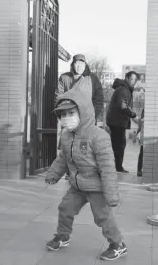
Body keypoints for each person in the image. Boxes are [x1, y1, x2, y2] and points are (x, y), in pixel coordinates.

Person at [45, 90, 127, 261]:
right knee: (65, 208)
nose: (67, 117)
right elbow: (63, 158)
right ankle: (62, 236)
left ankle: (118, 244)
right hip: (77, 186)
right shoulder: (67, 136)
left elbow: (108, 168)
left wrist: (111, 194)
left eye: (71, 113)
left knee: (102, 217)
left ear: (83, 112)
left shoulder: (98, 136)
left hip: (97, 187)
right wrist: (53, 174)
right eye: (63, 114)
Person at [56, 54, 104, 179]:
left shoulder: (92, 78)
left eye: (82, 63)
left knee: (84, 145)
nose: (79, 66)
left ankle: (84, 170)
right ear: (73, 64)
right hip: (69, 118)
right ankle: (69, 171)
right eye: (77, 63)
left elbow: (98, 98)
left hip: (86, 119)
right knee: (68, 144)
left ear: (85, 65)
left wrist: (93, 114)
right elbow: (58, 96)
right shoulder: (64, 78)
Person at [106, 71, 137, 173]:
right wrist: (132, 114)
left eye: (135, 80)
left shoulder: (125, 89)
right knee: (119, 144)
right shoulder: (123, 90)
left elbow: (125, 106)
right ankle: (117, 167)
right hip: (117, 121)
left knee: (118, 144)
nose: (134, 82)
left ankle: (116, 166)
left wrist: (131, 114)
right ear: (127, 78)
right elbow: (122, 106)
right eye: (132, 79)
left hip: (117, 121)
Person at [133, 109, 144, 177]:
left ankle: (139, 171)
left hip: (144, 139)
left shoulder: (142, 120)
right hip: (143, 139)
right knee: (141, 155)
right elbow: (139, 127)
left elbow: (139, 124)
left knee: (141, 155)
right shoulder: (142, 120)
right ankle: (139, 171)